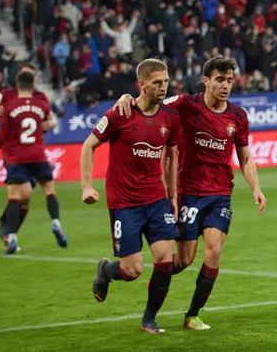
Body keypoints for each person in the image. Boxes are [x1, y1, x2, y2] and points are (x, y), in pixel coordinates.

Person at [112, 56, 267, 331]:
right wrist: (127, 98)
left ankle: (192, 315)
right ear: (206, 81)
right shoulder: (185, 104)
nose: (226, 86)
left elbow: (245, 158)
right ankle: (149, 283)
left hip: (220, 194)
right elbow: (151, 103)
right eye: (220, 80)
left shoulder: (238, 117)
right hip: (189, 193)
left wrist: (256, 187)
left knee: (214, 251)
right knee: (183, 260)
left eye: (230, 80)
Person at [80, 59, 182, 334]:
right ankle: (106, 270)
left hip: (156, 200)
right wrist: (86, 186)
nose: (163, 87)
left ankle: (149, 319)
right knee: (132, 270)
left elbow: (171, 156)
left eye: (166, 81)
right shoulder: (120, 113)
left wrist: (173, 196)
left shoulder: (170, 117)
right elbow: (88, 145)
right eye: (157, 82)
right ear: (142, 84)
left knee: (165, 260)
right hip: (125, 204)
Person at [0, 63, 65, 249]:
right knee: (28, 193)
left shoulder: (38, 97)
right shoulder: (6, 95)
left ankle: (9, 232)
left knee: (23, 197)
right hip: (18, 154)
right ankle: (10, 231)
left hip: (19, 154)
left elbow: (52, 122)